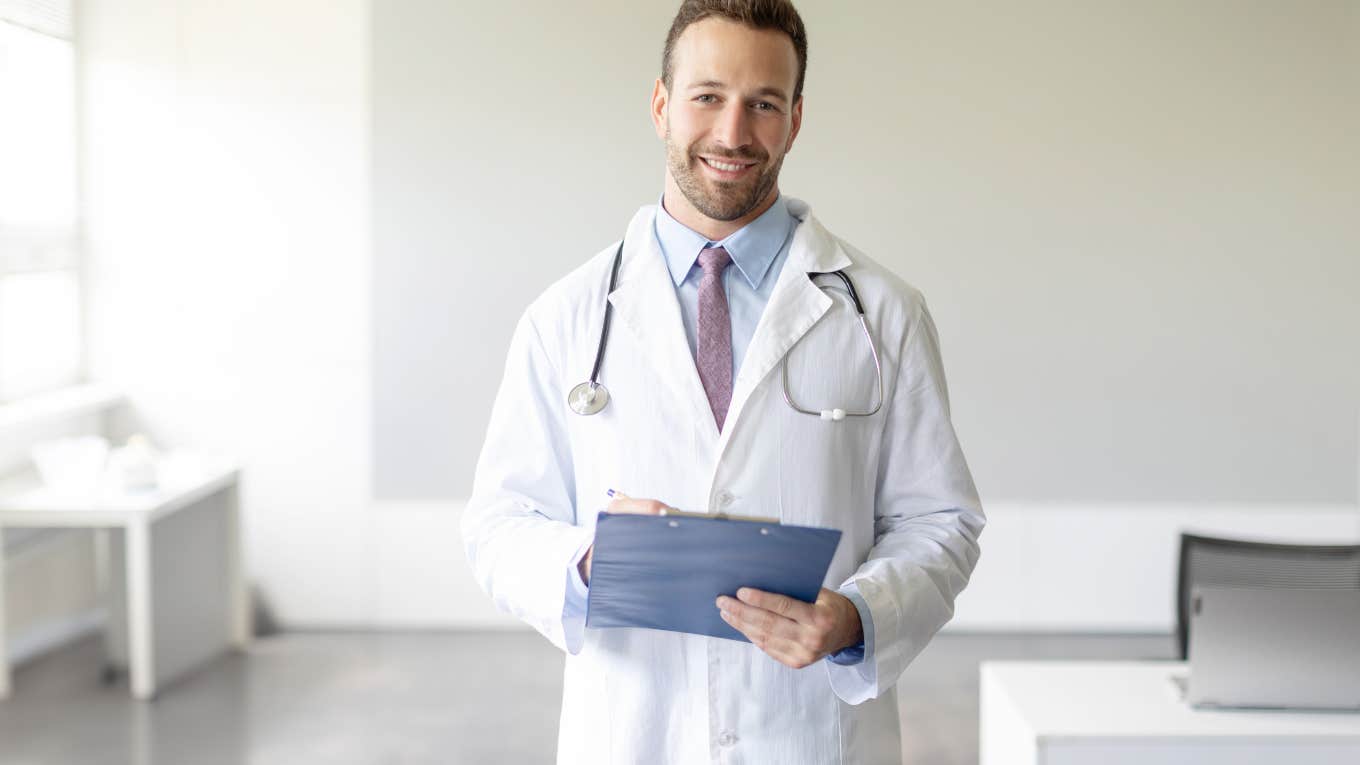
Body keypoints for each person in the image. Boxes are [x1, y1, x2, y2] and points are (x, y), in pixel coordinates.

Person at [462, 1, 984, 762]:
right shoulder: (566, 317)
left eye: (763, 104)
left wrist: (856, 616)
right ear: (661, 104)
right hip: (638, 732)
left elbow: (942, 520)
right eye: (707, 96)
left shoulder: (882, 314)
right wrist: (584, 562)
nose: (733, 134)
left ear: (795, 118)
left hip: (810, 735)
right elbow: (497, 524)